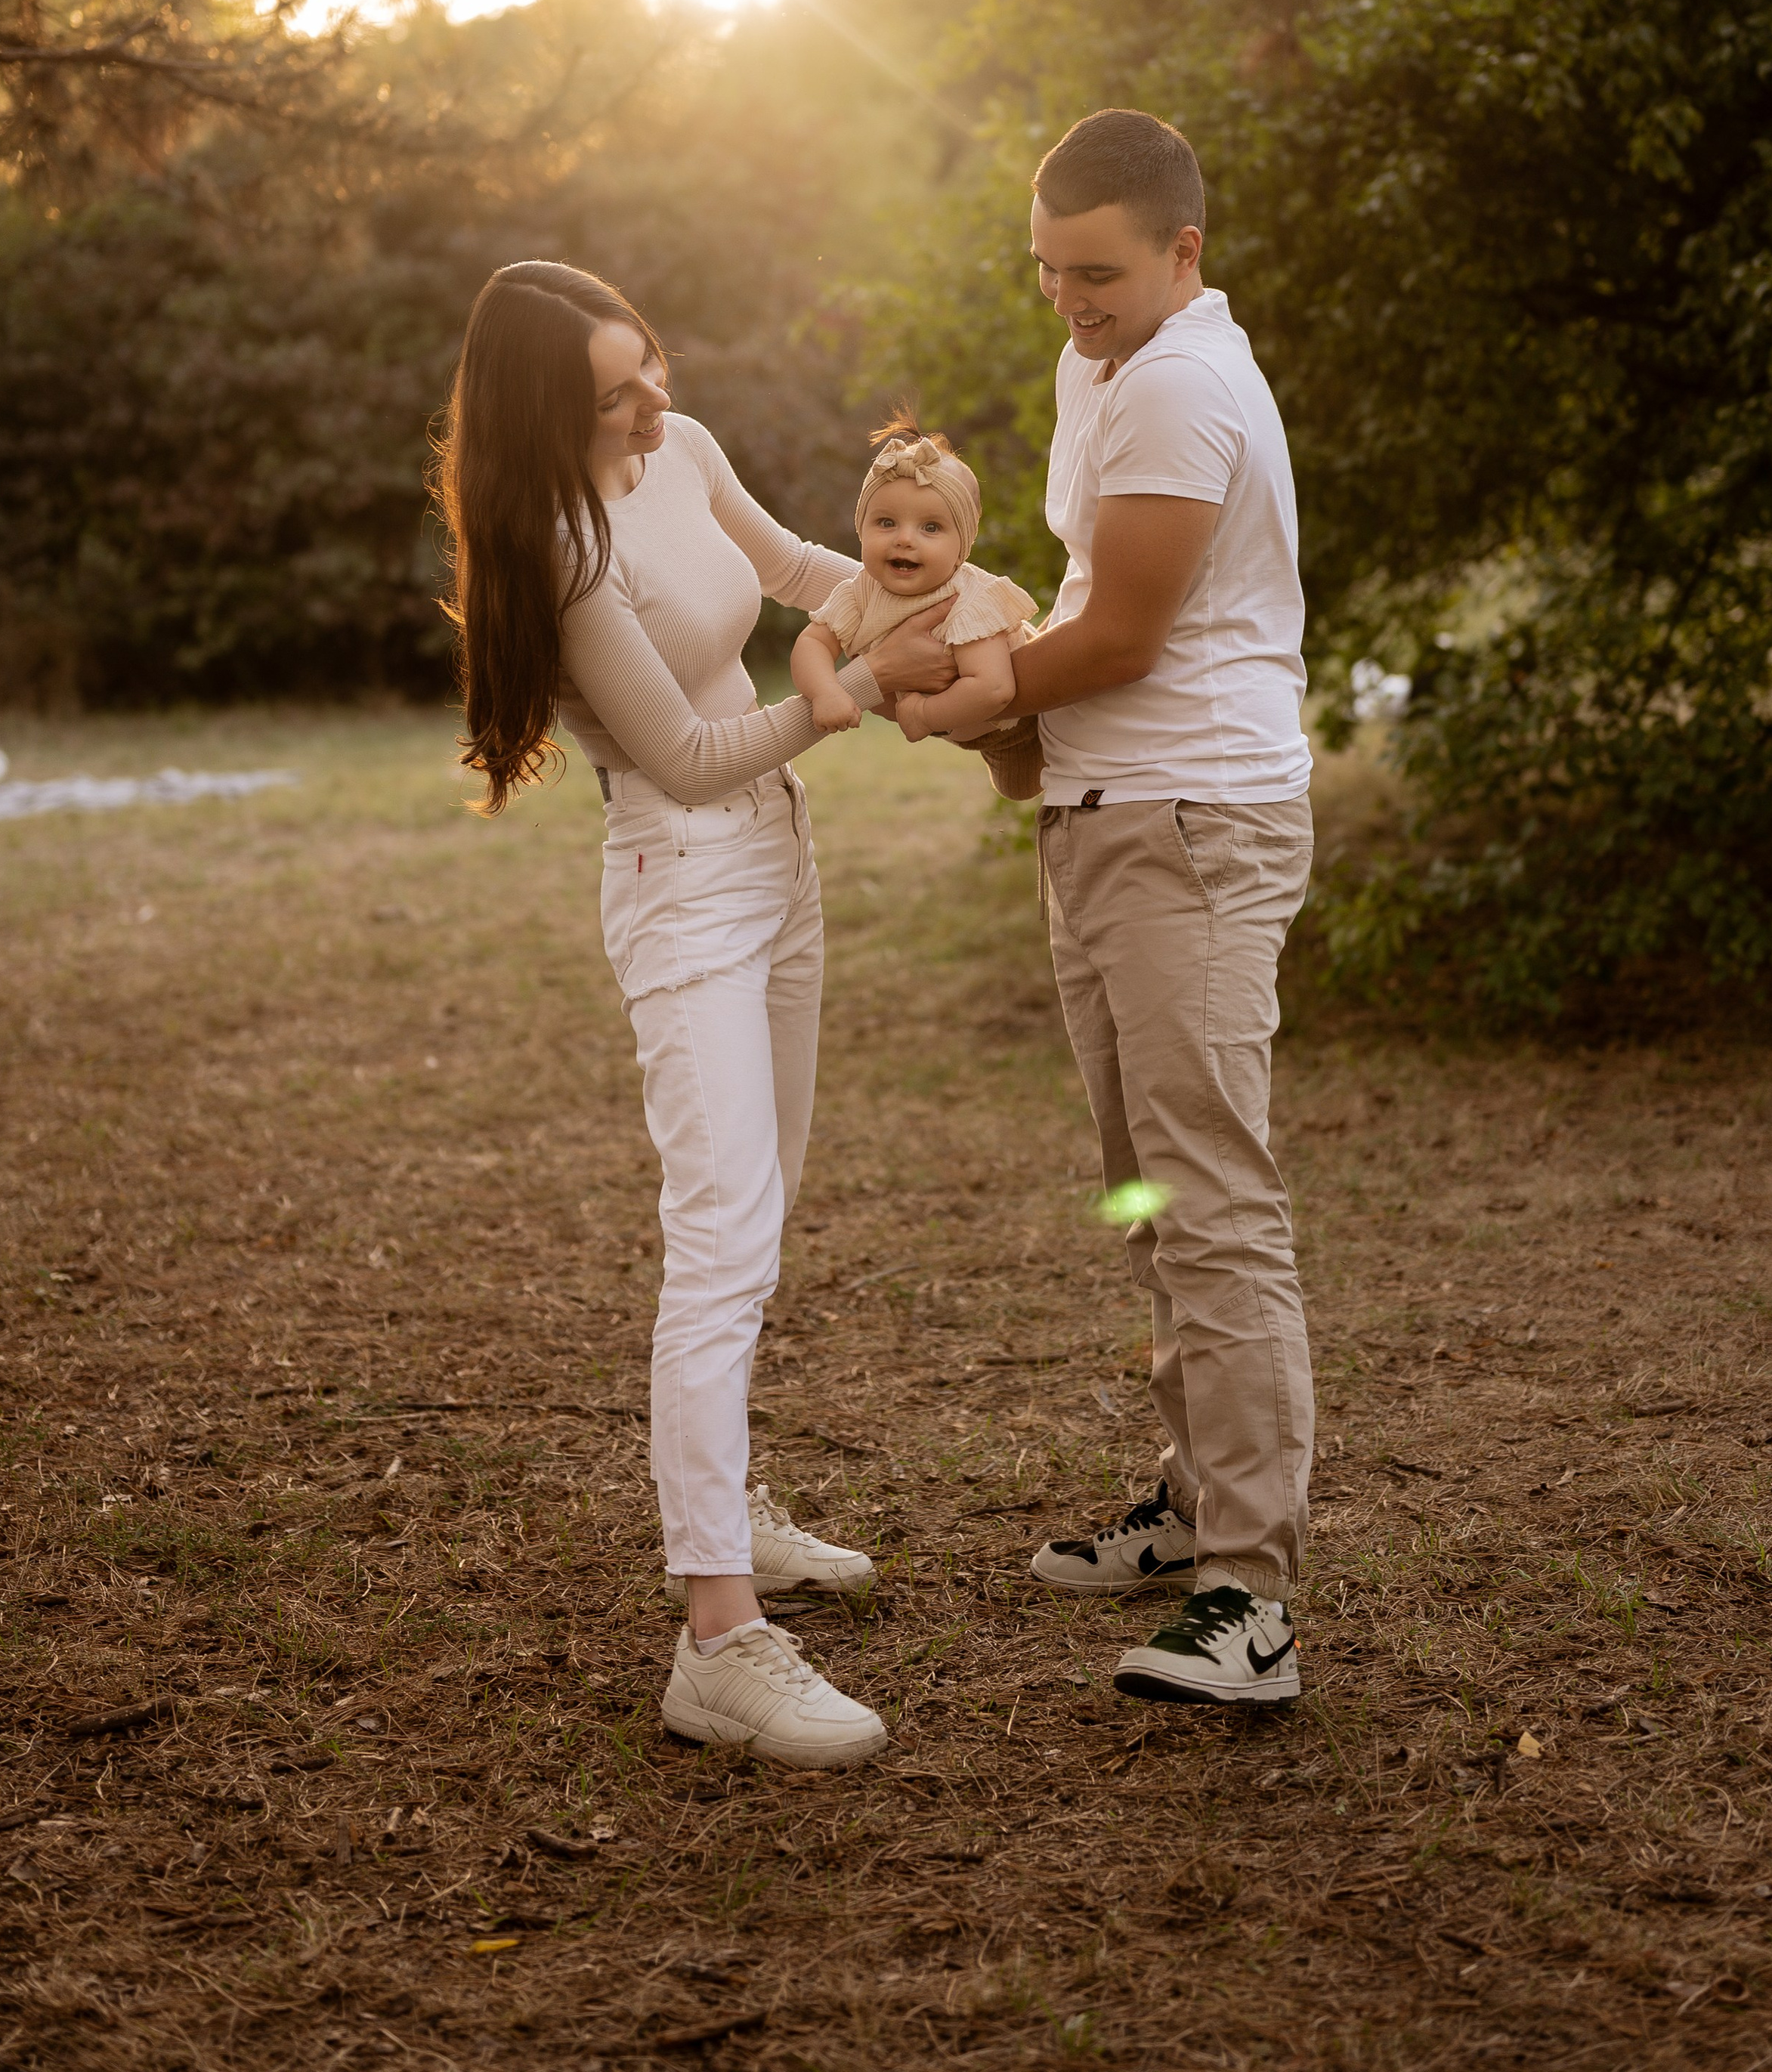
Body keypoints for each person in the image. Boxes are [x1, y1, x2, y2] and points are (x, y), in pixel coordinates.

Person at [434, 260, 955, 1768]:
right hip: (685, 880)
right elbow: (682, 751)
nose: (654, 401)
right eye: (616, 393)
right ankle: (716, 1640)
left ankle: (730, 1504)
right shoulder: (557, 543)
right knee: (720, 1239)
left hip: (780, 858)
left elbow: (800, 567)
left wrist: (970, 604)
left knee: (764, 1205)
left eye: (650, 362)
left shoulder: (685, 449)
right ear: (549, 413)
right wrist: (864, 686)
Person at [994, 112, 1316, 1707]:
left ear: (1184, 252)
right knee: (1146, 1189)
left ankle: (1251, 1598)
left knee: (1210, 1199)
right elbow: (1083, 595)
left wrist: (969, 691)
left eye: (1098, 274)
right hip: (1106, 816)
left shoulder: (1185, 381)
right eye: (1048, 271)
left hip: (1192, 823)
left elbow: (1120, 635)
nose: (1069, 301)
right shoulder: (1108, 363)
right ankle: (1193, 1507)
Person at [790, 416, 1038, 746]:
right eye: (886, 522)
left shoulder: (967, 597)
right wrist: (826, 691)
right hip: (969, 732)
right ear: (861, 528)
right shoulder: (860, 593)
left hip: (1024, 723)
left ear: (962, 546)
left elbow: (994, 688)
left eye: (930, 527)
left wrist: (923, 715)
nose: (904, 539)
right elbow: (812, 644)